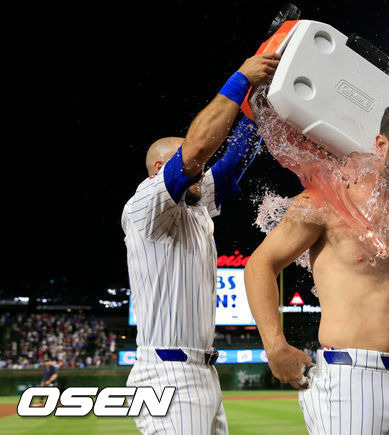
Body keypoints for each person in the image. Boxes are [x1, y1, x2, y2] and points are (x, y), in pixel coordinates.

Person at [245, 97, 389, 433]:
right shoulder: (330, 201)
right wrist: (274, 344)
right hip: (351, 381)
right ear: (381, 144)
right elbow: (260, 265)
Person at [122, 51, 280, 434]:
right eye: (194, 164)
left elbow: (238, 153)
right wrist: (241, 78)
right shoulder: (146, 204)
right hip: (166, 376)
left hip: (201, 373)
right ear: (162, 169)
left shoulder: (195, 205)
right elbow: (197, 150)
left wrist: (262, 94)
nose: (203, 168)